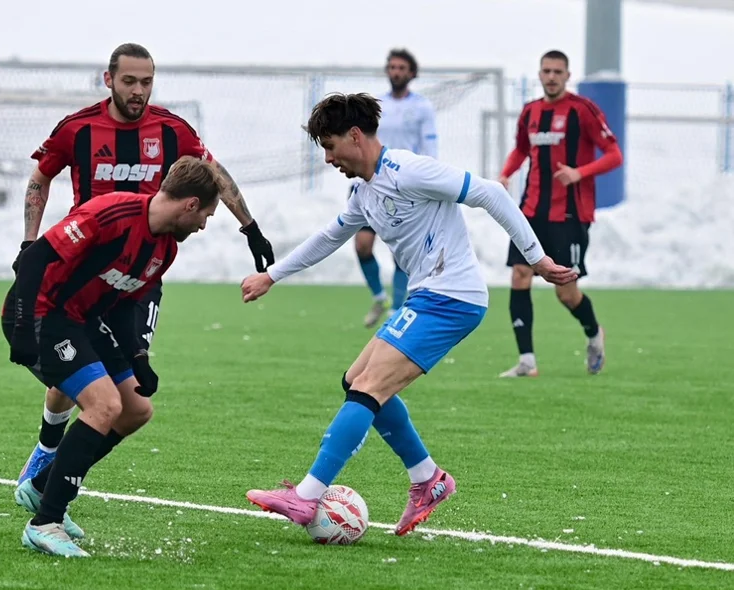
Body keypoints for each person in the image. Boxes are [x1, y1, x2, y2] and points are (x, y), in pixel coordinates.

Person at [240, 93, 576, 536]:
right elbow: (330, 236)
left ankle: (306, 496)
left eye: (331, 146)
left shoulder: (409, 170)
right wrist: (273, 275)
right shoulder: (364, 191)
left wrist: (537, 259)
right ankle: (427, 478)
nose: (328, 159)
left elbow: (491, 193)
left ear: (355, 136)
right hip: (427, 297)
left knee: (369, 387)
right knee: (355, 380)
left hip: (452, 297)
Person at [14, 42, 275, 486]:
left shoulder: (172, 130)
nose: (138, 90)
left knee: (127, 384)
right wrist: (29, 241)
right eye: (130, 81)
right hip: (83, 271)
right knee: (80, 366)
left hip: (141, 274)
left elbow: (214, 174)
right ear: (109, 80)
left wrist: (249, 226)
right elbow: (41, 176)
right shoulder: (78, 129)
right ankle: (47, 452)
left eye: (147, 82)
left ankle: (54, 479)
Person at [3, 155, 221, 557]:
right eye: (206, 215)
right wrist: (21, 329)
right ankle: (45, 523)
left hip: (81, 319)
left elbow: (123, 306)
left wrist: (138, 357)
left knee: (136, 409)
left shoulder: (165, 249)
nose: (203, 225)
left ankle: (40, 488)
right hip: (41, 314)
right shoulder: (109, 213)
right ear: (190, 204)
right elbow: (32, 260)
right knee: (104, 405)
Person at [498, 50, 623, 378]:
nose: (551, 76)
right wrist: (506, 173)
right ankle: (527, 361)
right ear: (539, 74)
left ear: (567, 75)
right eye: (546, 71)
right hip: (531, 212)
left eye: (557, 71)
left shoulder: (582, 110)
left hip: (570, 216)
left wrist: (579, 173)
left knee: (566, 293)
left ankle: (594, 333)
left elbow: (614, 155)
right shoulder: (530, 112)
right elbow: (522, 149)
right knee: (520, 274)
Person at [358, 48, 439, 328]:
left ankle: (396, 309)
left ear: (412, 73)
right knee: (363, 246)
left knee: (401, 253)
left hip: (404, 186)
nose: (396, 72)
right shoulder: (376, 105)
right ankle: (379, 297)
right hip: (371, 182)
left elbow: (429, 147)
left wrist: (428, 181)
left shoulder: (422, 107)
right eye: (392, 67)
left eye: (402, 68)